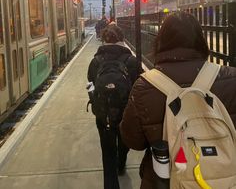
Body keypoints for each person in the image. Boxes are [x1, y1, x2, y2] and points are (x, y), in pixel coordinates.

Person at [120, 11, 236, 189]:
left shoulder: (145, 85)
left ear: (160, 41)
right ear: (201, 40)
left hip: (164, 180)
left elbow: (133, 141)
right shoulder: (230, 78)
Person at [87, 24, 143, 189]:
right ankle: (121, 163)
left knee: (107, 150)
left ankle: (111, 183)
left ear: (104, 40)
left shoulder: (96, 61)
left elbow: (90, 82)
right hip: (126, 111)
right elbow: (140, 84)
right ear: (122, 39)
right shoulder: (131, 61)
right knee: (124, 140)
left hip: (104, 113)